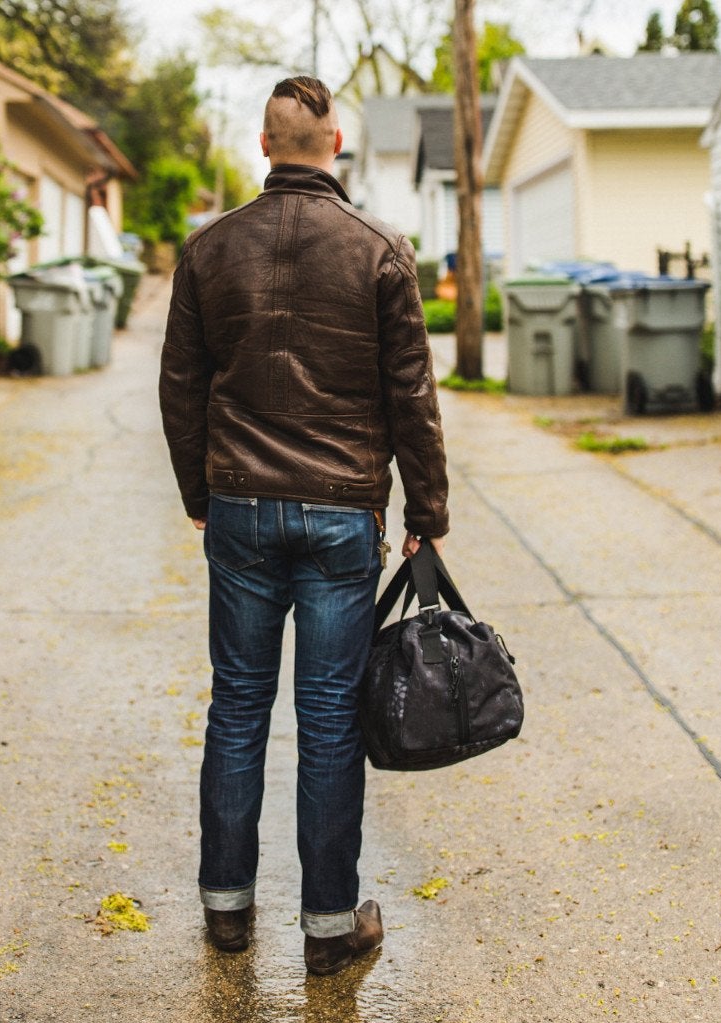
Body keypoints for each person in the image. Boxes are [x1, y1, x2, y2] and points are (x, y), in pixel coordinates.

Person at [159, 75, 449, 976]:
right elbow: (412, 396)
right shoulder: (380, 250)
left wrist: (198, 495)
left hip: (240, 508)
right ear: (332, 147)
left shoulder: (208, 250)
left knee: (238, 705)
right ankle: (329, 927)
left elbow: (180, 388)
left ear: (262, 145)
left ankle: (227, 912)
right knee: (327, 718)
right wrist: (426, 511)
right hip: (340, 515)